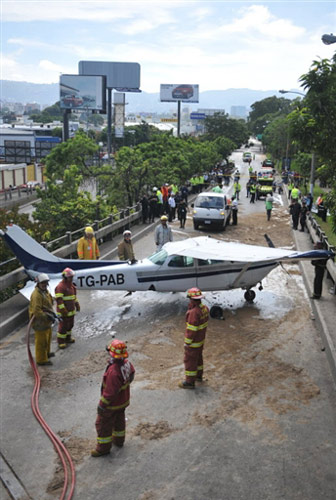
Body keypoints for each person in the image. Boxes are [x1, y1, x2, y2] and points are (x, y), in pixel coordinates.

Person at [91, 339, 135, 457]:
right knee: (119, 420)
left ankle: (103, 448)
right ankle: (119, 440)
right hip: (123, 401)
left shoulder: (113, 372)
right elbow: (131, 375)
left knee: (103, 425)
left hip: (112, 405)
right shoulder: (127, 364)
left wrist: (102, 405)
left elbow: (110, 393)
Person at [178, 288, 209, 389]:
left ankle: (190, 382)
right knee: (198, 358)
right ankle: (198, 376)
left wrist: (187, 343)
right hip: (200, 341)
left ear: (191, 299)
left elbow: (191, 330)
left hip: (193, 343)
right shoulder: (204, 308)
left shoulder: (193, 313)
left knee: (190, 361)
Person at [29, 273, 55, 366]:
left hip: (46, 322)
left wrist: (52, 315)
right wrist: (47, 317)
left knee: (47, 339)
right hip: (40, 322)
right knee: (41, 342)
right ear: (38, 283)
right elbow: (37, 311)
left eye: (46, 282)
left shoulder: (45, 291)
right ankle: (41, 360)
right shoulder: (36, 295)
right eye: (42, 283)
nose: (44, 284)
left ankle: (46, 354)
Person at [55, 268, 80, 349]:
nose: (71, 278)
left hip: (71, 311)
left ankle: (68, 338)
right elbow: (59, 300)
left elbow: (74, 297)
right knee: (63, 327)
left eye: (72, 277)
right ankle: (61, 341)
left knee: (70, 325)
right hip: (64, 312)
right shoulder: (60, 287)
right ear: (65, 277)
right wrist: (63, 310)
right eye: (70, 277)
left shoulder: (72, 286)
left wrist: (77, 304)